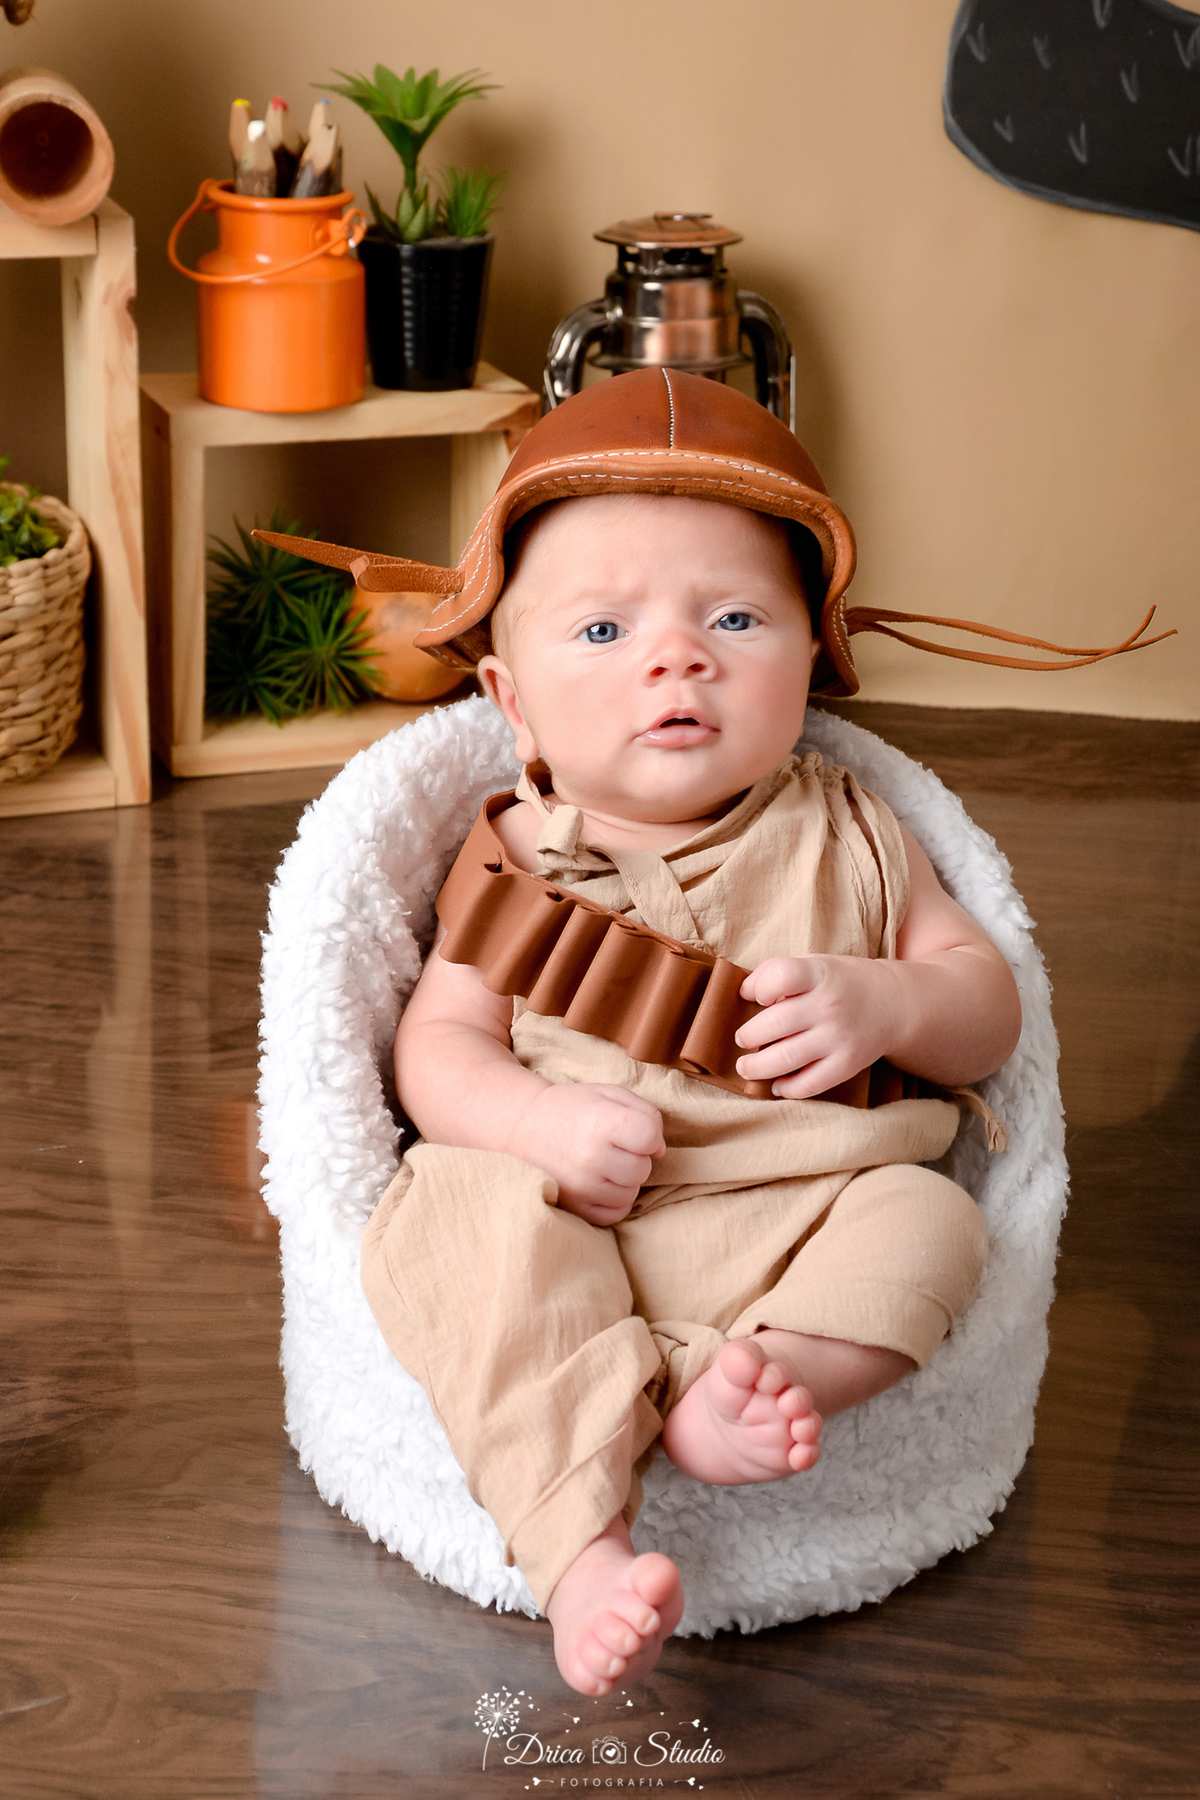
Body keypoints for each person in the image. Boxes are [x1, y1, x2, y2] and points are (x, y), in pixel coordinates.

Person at [262, 368, 1166, 1697]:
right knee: (448, 1219)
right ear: (511, 701)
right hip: (579, 1225)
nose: (676, 657)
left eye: (735, 617)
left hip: (803, 1218)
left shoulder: (854, 827)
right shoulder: (519, 855)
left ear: (814, 660)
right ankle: (582, 1552)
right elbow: (435, 1049)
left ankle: (751, 1384)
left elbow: (987, 1007)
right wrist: (532, 1123)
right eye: (604, 629)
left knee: (937, 1224)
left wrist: (890, 1002)